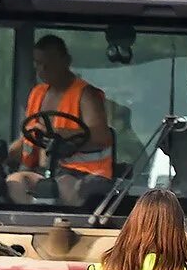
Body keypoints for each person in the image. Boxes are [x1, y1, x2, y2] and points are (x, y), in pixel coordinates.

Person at [8, 35, 116, 206]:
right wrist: (6, 154)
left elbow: (101, 137)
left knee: (63, 185)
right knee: (15, 183)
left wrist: (59, 134)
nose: (42, 69)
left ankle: (65, 229)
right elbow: (30, 137)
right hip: (45, 172)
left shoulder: (86, 94)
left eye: (49, 64)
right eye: (38, 63)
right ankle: (33, 221)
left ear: (66, 61)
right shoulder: (37, 93)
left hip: (84, 174)